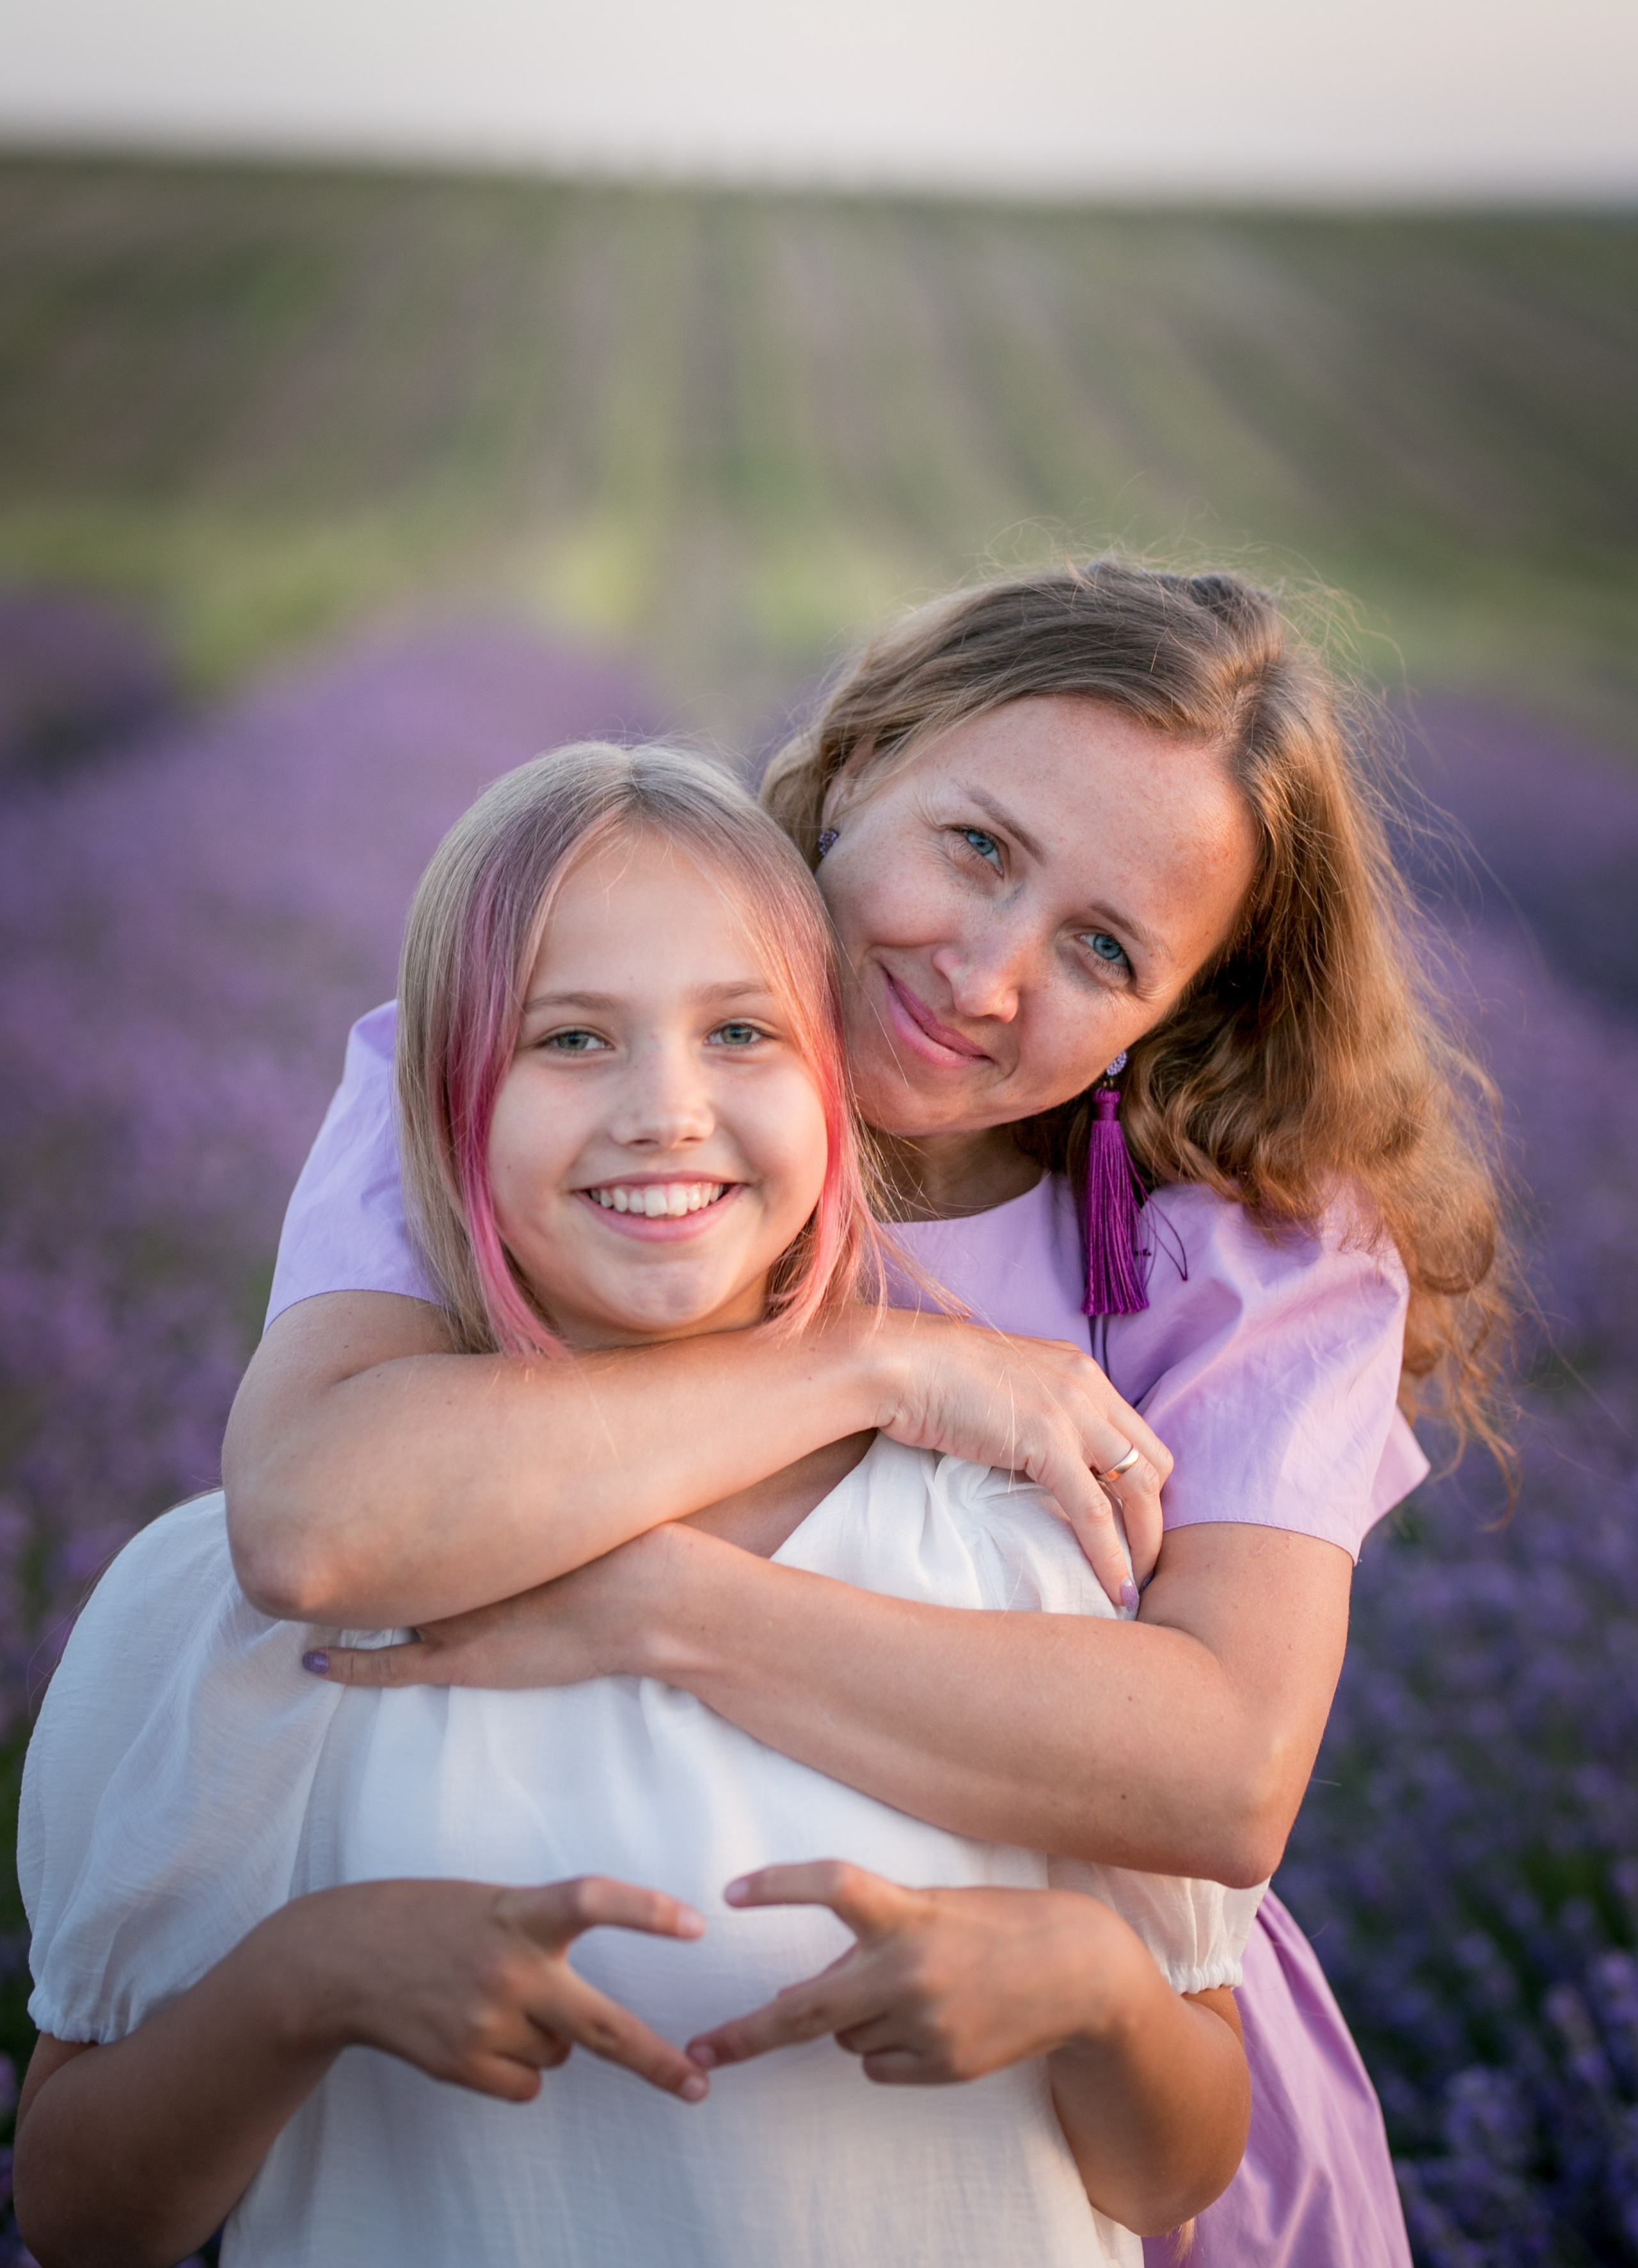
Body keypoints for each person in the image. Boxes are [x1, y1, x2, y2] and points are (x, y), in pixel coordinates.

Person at [220, 561, 1506, 2264]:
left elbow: (1222, 1776)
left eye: (1103, 949)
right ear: (858, 761)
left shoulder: (1250, 1255)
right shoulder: (513, 1080)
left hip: (1087, 2088)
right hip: (581, 2035)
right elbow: (317, 1519)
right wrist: (871, 1363)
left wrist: (659, 1602)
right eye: (977, 847)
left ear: (1170, 1015)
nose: (986, 974)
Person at [14, 743, 1254, 2268]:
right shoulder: (226, 1609)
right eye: (571, 1040)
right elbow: (75, 2210)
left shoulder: (996, 1550)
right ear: (443, 1108)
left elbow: (1174, 2173)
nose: (665, 1111)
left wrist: (1096, 1992)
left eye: (739, 1031)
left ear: (834, 1092)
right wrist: (305, 1984)